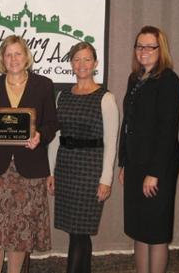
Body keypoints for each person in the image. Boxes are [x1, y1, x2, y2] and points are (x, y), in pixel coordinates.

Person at [0, 35, 58, 273]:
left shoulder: (44, 85)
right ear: (2, 59)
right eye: (9, 54)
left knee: (21, 231)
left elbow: (51, 124)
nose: (14, 59)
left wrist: (40, 136)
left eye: (18, 53)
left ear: (26, 56)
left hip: (29, 169)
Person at [47, 42, 119, 273]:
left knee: (80, 230)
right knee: (74, 231)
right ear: (71, 64)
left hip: (90, 170)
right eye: (77, 59)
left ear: (95, 63)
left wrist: (106, 179)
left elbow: (110, 142)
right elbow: (56, 137)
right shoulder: (63, 96)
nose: (82, 64)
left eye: (87, 59)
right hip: (66, 168)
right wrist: (51, 172)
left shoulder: (105, 98)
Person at [118, 26, 179, 273]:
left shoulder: (168, 81)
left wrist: (154, 172)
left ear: (160, 49)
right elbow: (129, 123)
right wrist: (123, 162)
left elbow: (168, 131)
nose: (143, 51)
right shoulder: (135, 79)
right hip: (135, 164)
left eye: (149, 46)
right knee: (138, 228)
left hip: (158, 167)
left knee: (155, 232)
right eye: (139, 46)